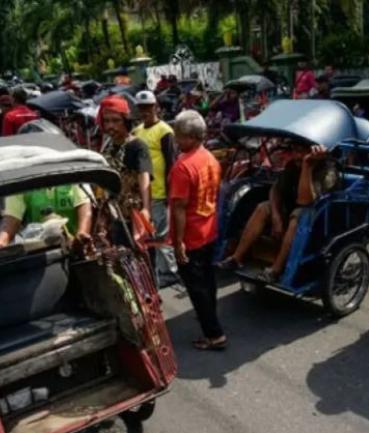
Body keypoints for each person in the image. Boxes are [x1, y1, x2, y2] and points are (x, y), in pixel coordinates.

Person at [218, 141, 336, 282]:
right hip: (290, 210)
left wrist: (307, 166)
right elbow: (276, 190)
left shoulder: (326, 171)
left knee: (298, 217)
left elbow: (305, 201)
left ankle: (275, 270)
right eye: (295, 150)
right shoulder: (292, 166)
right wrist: (276, 216)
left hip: (316, 219)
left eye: (302, 151)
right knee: (263, 207)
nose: (297, 155)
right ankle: (236, 258)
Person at [169, 110, 226, 351]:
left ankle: (214, 334)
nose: (175, 140)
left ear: (191, 137)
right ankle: (209, 316)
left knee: (196, 286)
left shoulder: (183, 166)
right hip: (209, 230)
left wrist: (179, 242)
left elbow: (179, 208)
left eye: (178, 136)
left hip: (191, 235)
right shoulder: (210, 159)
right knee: (208, 280)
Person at [132, 90, 178, 286]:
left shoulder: (165, 131)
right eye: (141, 108)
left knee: (161, 235)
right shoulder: (137, 131)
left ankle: (169, 272)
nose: (145, 112)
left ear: (156, 107)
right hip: (142, 193)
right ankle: (158, 271)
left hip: (159, 192)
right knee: (148, 235)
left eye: (148, 108)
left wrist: (170, 192)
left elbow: (172, 162)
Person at [98, 95, 153, 236]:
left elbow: (144, 176)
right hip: (114, 215)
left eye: (116, 121)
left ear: (126, 121)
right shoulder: (107, 148)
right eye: (107, 121)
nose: (111, 126)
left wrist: (146, 209)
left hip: (134, 214)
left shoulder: (137, 146)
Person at [0, 184, 93, 248]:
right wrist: (1, 241)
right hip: (40, 248)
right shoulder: (20, 184)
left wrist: (82, 232)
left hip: (75, 245)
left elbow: (84, 205)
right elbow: (12, 218)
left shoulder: (69, 175)